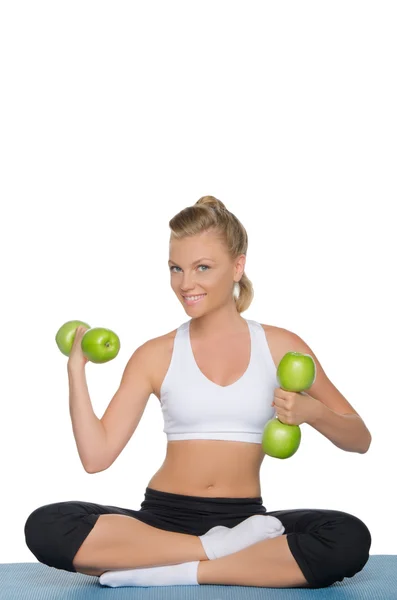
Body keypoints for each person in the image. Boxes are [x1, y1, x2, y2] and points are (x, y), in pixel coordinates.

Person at [24, 196, 372, 589]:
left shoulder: (280, 347)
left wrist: (313, 412)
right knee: (48, 525)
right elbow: (96, 457)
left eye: (202, 267)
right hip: (162, 520)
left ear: (238, 266)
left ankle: (176, 570)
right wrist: (76, 372)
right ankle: (211, 550)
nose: (185, 283)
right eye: (176, 268)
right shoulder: (154, 354)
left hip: (246, 522)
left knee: (347, 536)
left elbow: (359, 438)